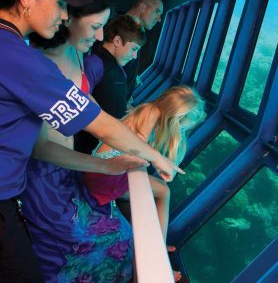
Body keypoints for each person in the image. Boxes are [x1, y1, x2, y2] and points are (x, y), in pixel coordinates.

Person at [0, 0, 179, 283]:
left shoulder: (18, 49)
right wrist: (154, 156)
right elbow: (96, 124)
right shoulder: (23, 59)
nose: (64, 16)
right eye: (60, 4)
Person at [84, 85, 206, 282]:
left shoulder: (149, 109)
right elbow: (134, 145)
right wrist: (156, 160)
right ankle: (158, 247)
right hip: (104, 175)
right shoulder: (151, 112)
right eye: (183, 127)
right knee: (163, 192)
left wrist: (154, 161)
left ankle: (158, 242)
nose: (182, 132)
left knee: (161, 190)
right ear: (175, 118)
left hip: (102, 171)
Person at [75, 14, 146, 155]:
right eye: (134, 49)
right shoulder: (94, 63)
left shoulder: (119, 69)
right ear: (117, 41)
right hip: (85, 148)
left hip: (103, 145)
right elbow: (79, 103)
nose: (135, 56)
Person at [124, 0, 164, 100]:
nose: (159, 19)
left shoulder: (138, 34)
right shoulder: (118, 30)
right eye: (157, 11)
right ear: (142, 7)